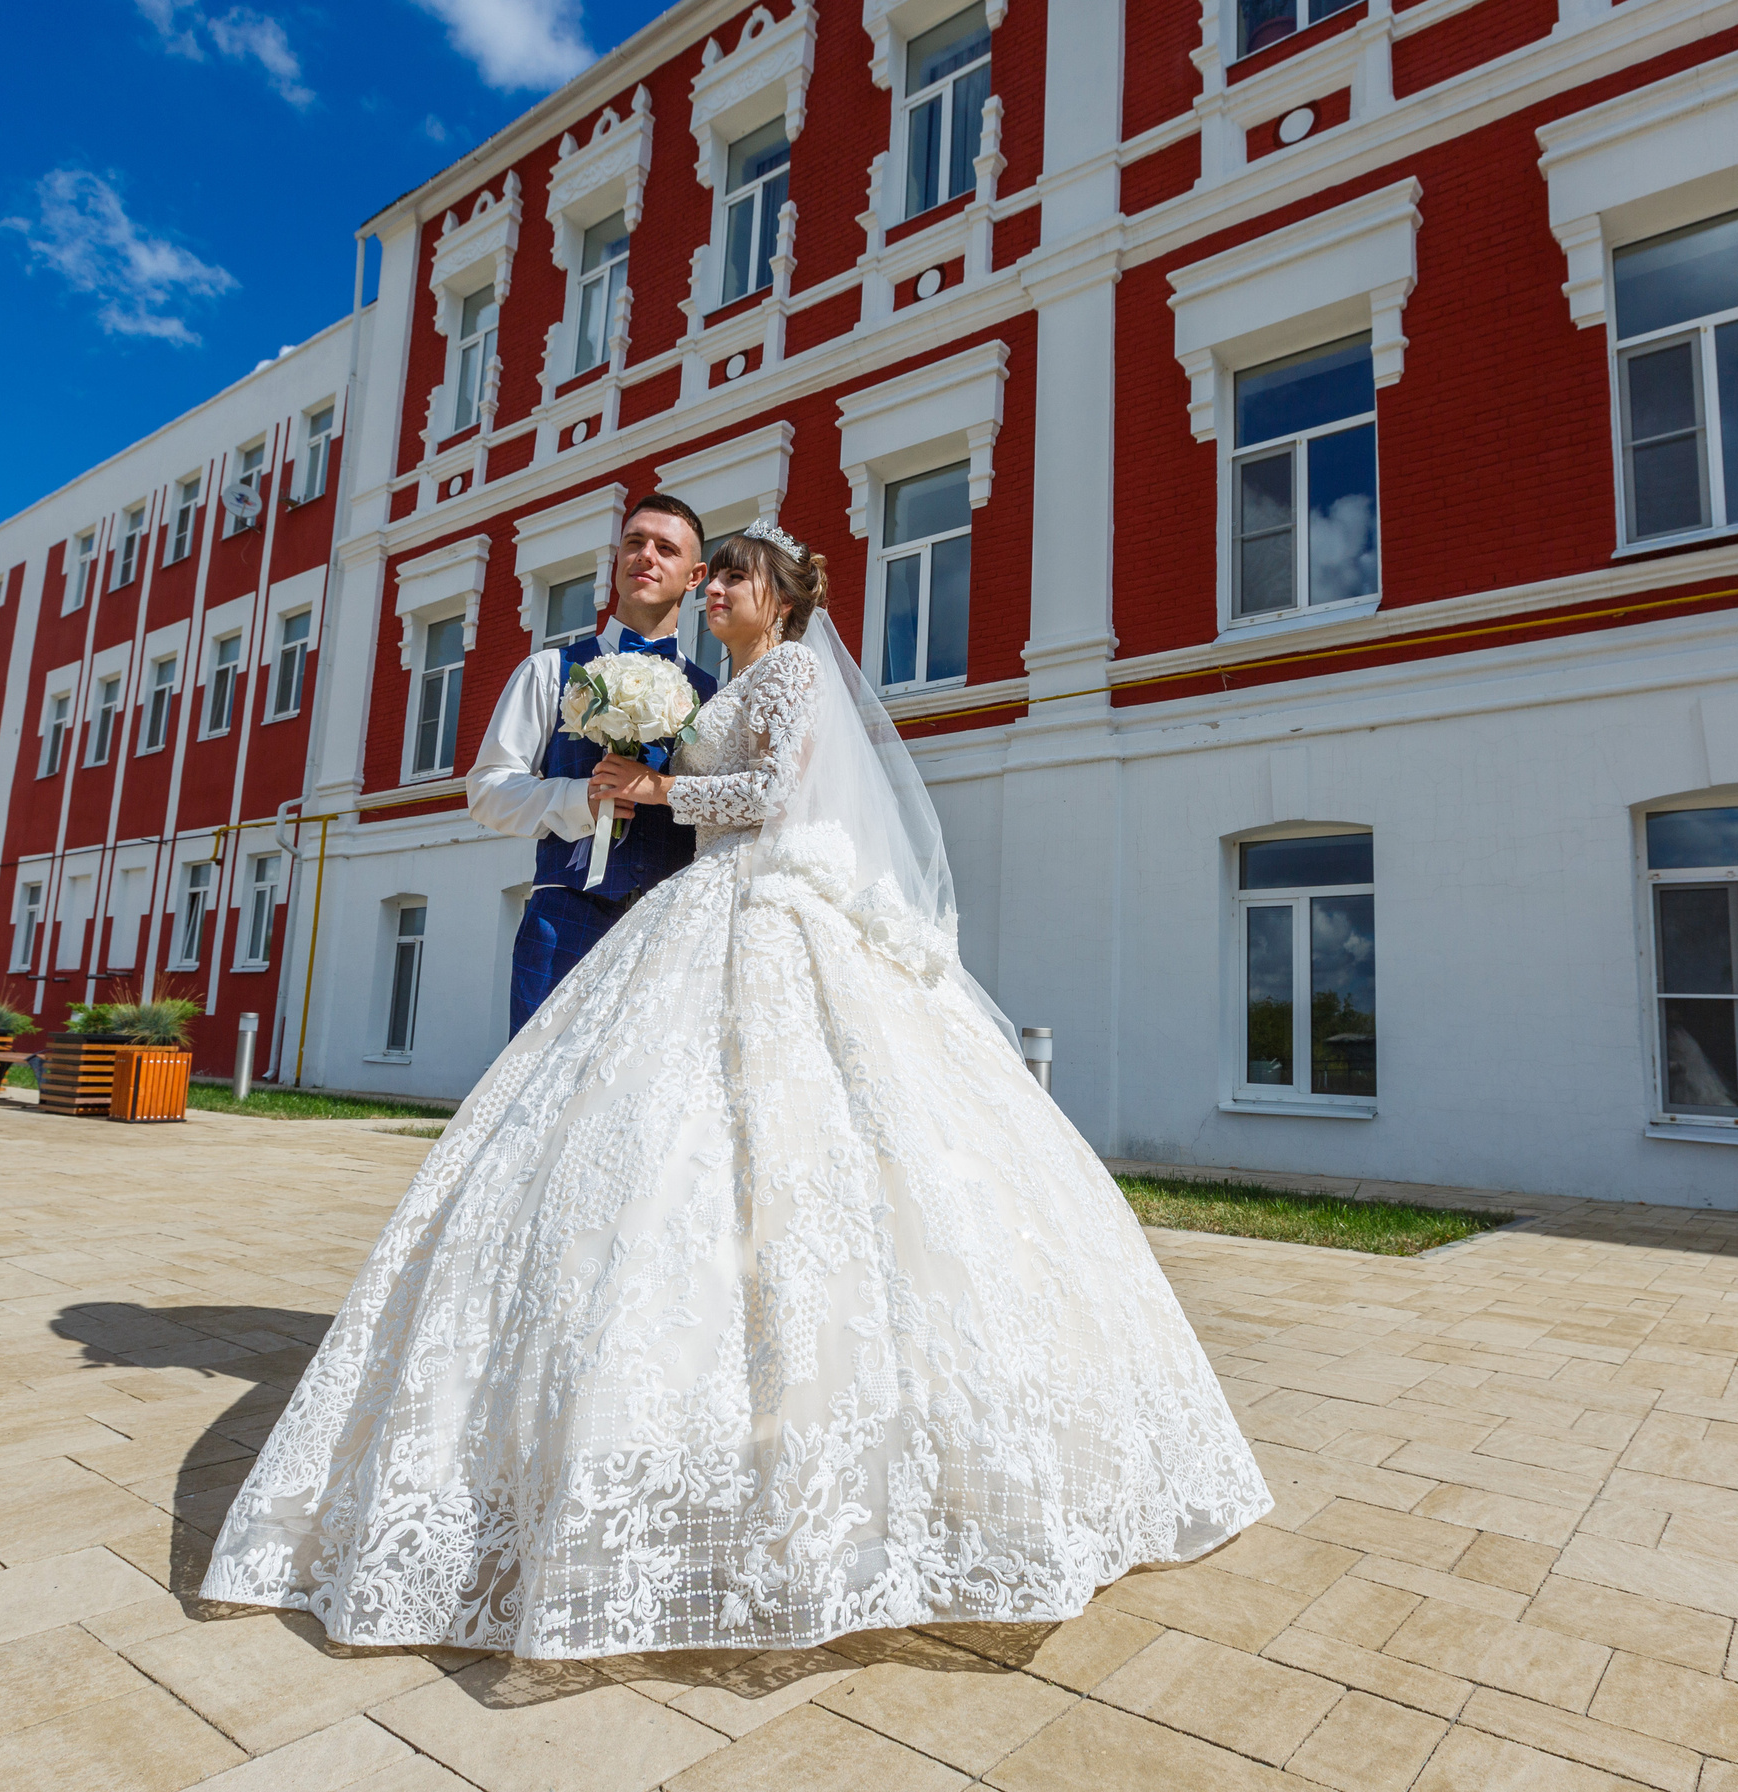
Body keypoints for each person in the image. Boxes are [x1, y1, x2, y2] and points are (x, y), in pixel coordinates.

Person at [201, 520, 1272, 1658]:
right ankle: (580, 1406)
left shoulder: (789, 670)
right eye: (693, 568)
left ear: (779, 594)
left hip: (759, 910)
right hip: (669, 915)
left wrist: (655, 784)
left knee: (794, 1158)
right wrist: (622, 784)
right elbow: (555, 787)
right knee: (630, 1163)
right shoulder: (670, 674)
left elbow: (774, 793)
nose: (705, 586)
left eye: (724, 572)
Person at [468, 492, 716, 1035]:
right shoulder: (549, 670)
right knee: (532, 1097)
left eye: (665, 548)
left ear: (695, 575)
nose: (645, 555)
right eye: (634, 542)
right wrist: (577, 799)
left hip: (668, 933)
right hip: (562, 922)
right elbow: (486, 791)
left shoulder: (713, 695)